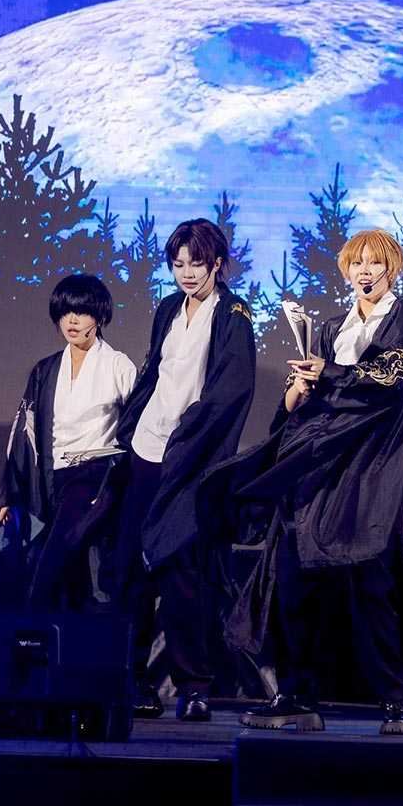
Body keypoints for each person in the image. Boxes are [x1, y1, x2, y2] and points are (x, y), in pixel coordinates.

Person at [205, 229, 403, 735]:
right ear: (346, 270)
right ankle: (296, 694)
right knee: (293, 578)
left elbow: (390, 380)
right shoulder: (331, 328)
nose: (366, 272)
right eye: (357, 263)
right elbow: (301, 402)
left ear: (392, 268)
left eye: (376, 263)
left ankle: (395, 699)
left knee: (371, 584)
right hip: (317, 463)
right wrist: (300, 389)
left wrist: (327, 372)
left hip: (369, 466)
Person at [112, 219, 256, 721]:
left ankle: (194, 686)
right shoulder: (169, 309)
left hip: (190, 458)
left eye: (197, 264)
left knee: (181, 573)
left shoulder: (234, 315)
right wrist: (133, 426)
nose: (187, 273)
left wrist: (187, 440)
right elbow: (155, 373)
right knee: (131, 570)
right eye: (178, 264)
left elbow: (231, 391)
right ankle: (131, 680)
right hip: (146, 451)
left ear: (217, 264)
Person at [0, 274, 136, 610]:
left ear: (99, 316)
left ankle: (30, 627)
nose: (72, 320)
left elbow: (137, 426)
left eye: (82, 312)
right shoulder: (45, 370)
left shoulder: (118, 365)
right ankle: (62, 636)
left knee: (51, 563)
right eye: (65, 312)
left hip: (96, 475)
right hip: (52, 477)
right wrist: (7, 495)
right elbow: (24, 433)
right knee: (69, 576)